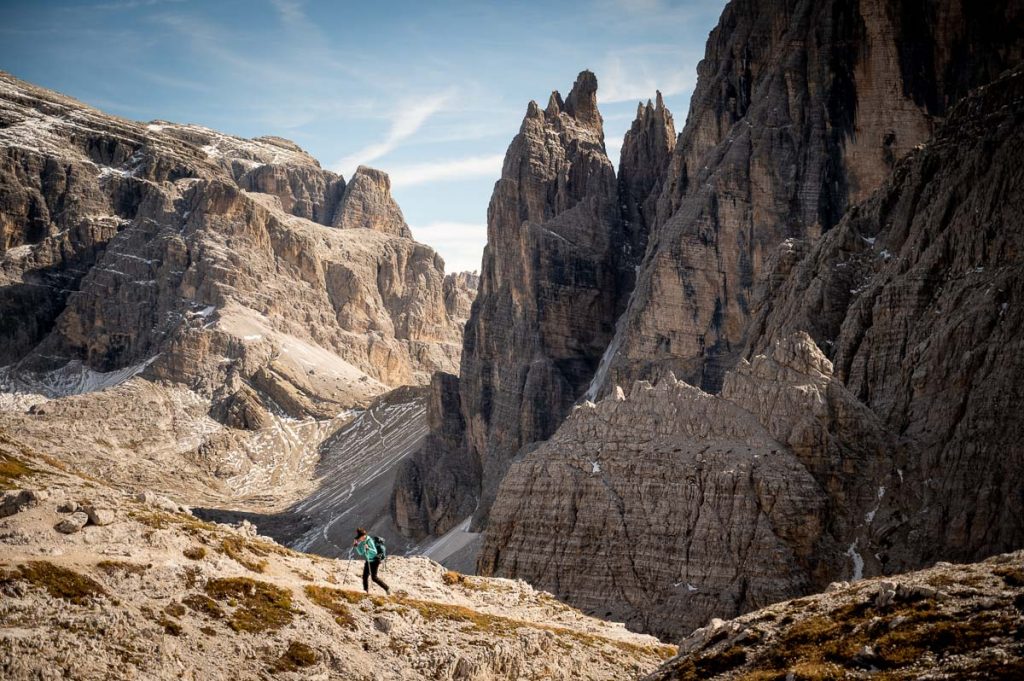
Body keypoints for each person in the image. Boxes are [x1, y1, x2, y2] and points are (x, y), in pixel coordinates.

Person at [353, 527, 390, 595]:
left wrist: (368, 548)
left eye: (360, 537)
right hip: (368, 560)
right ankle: (365, 591)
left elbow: (375, 552)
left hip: (375, 560)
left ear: (363, 536)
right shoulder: (362, 542)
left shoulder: (369, 541)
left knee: (374, 577)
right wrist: (357, 546)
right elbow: (360, 553)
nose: (359, 539)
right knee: (365, 576)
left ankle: (387, 588)